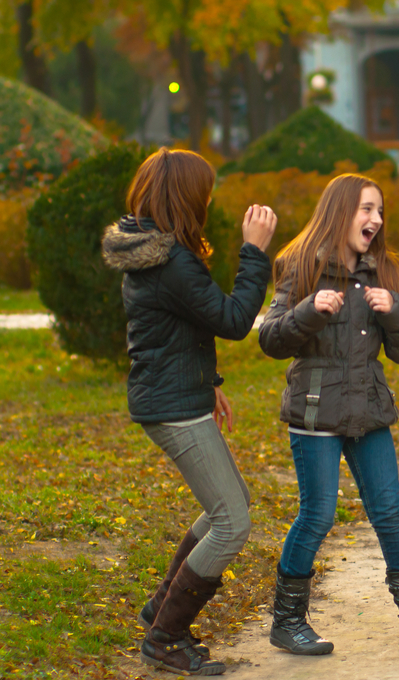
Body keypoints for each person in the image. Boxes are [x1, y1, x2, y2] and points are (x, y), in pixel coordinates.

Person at [102, 147, 276, 675]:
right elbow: (231, 318)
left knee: (232, 503)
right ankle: (165, 636)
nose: (209, 200)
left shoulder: (156, 250)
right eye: (206, 192)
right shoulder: (171, 259)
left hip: (176, 396)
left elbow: (178, 327)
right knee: (232, 523)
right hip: (173, 409)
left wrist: (211, 381)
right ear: (187, 196)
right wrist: (255, 252)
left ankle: (162, 606)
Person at [258, 173, 399, 654]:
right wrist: (310, 310)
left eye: (379, 211)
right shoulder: (300, 266)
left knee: (390, 512)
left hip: (368, 409)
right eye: (365, 209)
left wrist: (394, 310)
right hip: (315, 410)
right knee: (317, 514)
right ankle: (287, 621)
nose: (375, 219)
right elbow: (270, 340)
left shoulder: (384, 272)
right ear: (339, 212)